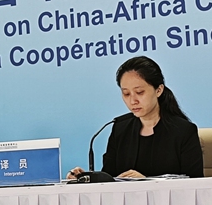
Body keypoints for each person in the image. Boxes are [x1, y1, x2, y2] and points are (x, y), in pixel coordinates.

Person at [68, 56, 204, 180]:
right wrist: (83, 178)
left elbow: (194, 184)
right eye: (126, 94)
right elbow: (109, 178)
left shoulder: (184, 131)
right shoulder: (120, 128)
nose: (133, 100)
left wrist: (146, 182)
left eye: (139, 92)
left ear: (159, 90)